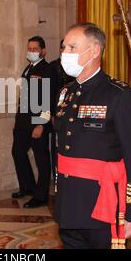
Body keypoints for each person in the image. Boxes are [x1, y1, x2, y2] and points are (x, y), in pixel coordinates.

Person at [54, 23, 131, 249]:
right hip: (69, 204)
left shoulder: (119, 95)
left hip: (102, 205)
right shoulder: (65, 93)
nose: (64, 53)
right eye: (63, 47)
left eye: (72, 47)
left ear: (95, 51)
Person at [11, 36, 52, 208]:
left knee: (41, 158)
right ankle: (27, 187)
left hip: (37, 122)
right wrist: (18, 120)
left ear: (43, 51)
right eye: (30, 48)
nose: (32, 52)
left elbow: (48, 100)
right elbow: (25, 98)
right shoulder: (28, 68)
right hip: (24, 122)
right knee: (18, 152)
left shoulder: (47, 70)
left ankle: (41, 195)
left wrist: (41, 124)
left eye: (35, 49)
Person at [50, 40, 74, 184]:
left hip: (72, 114)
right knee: (56, 148)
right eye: (63, 47)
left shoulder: (76, 67)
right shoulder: (52, 67)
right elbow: (49, 94)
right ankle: (57, 177)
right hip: (54, 115)